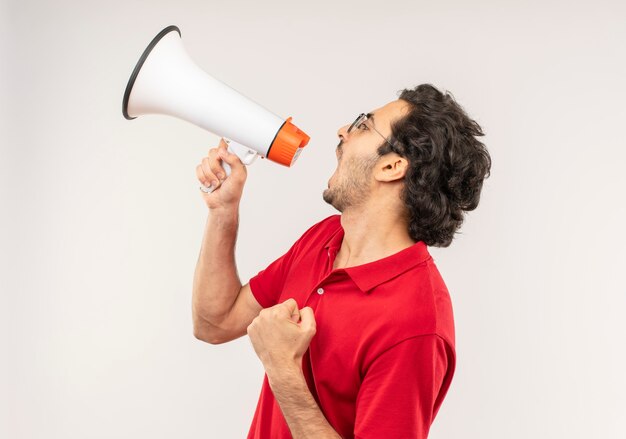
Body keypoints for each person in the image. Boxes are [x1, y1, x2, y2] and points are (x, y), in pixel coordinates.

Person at [192, 84, 492, 438]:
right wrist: (223, 210)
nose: (342, 131)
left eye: (363, 125)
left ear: (392, 166)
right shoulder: (325, 238)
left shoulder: (417, 324)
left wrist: (283, 369)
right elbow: (215, 323)